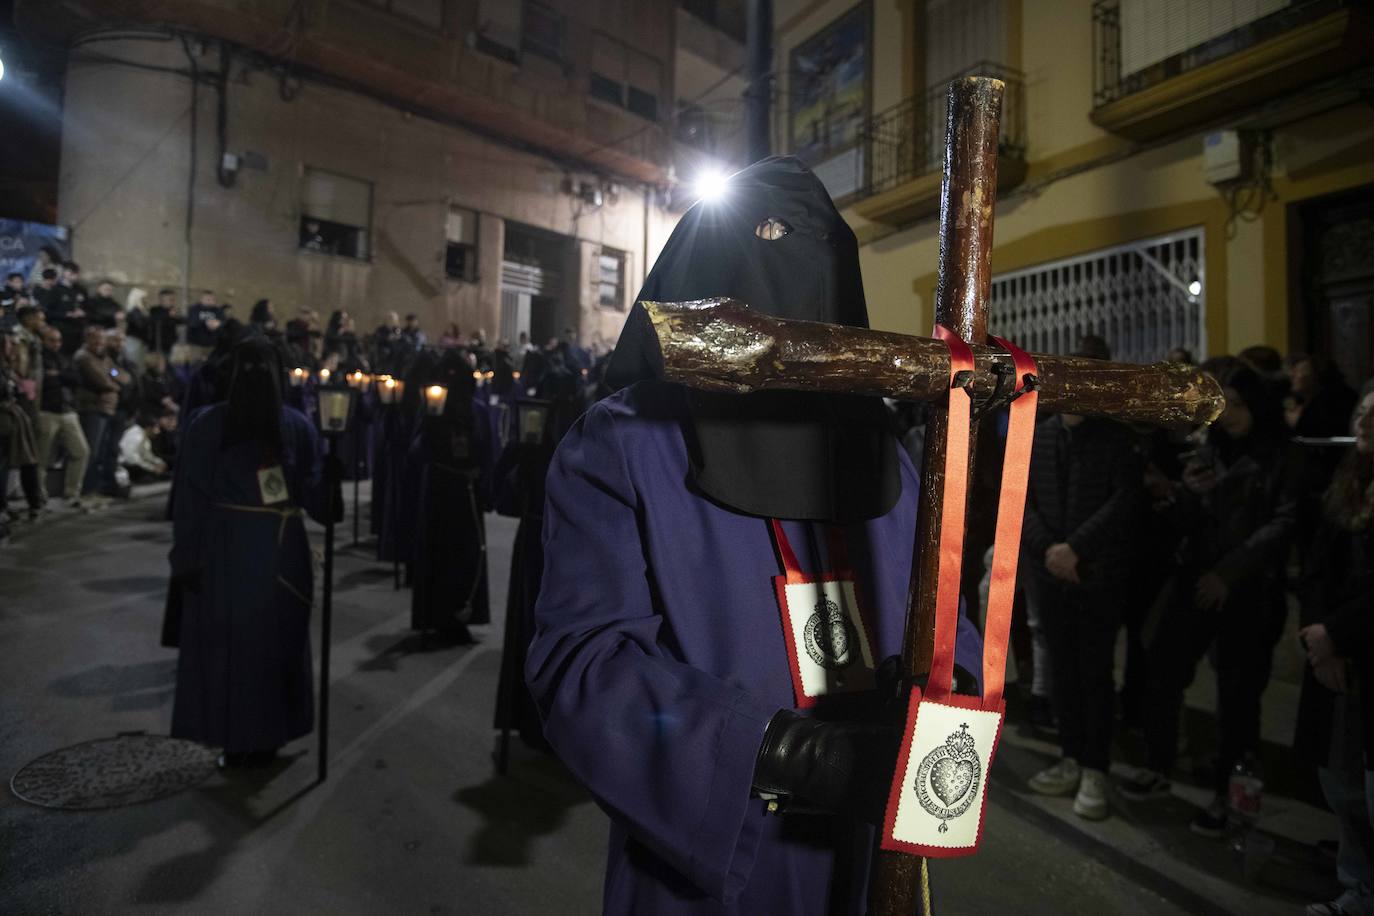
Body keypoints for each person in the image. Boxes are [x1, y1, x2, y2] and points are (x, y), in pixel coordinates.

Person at [525, 158, 983, 915]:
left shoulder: (883, 455)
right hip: (714, 855)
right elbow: (585, 665)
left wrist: (944, 700)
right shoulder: (626, 442)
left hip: (868, 857)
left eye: (819, 244)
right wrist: (791, 754)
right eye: (766, 234)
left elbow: (948, 623)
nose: (792, 260)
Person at [1118, 363, 1296, 836]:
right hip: (1196, 579)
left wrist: (1228, 573)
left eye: (1237, 405)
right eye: (1222, 405)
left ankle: (1230, 795)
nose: (1229, 414)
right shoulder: (1209, 450)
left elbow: (1282, 524)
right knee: (1163, 669)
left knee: (1237, 697)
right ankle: (1160, 762)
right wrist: (1186, 496)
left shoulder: (1279, 456)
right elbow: (1187, 521)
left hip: (1247, 590)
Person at [170, 337, 339, 767]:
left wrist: (186, 557)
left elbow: (189, 500)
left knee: (244, 646)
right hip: (265, 549)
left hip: (234, 548)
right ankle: (260, 735)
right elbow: (319, 502)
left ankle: (243, 738)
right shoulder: (286, 424)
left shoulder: (213, 424)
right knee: (262, 644)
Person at [1020, 336, 1145, 820]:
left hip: (1096, 574)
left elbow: (1124, 503)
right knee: (1062, 671)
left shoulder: (1117, 438)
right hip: (1049, 572)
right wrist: (1050, 551)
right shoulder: (1040, 433)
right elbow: (1021, 499)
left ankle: (1096, 767)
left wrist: (1076, 549)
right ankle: (1071, 756)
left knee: (1094, 672)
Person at [1299, 380, 1374, 916]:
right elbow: (1318, 568)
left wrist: (1337, 634)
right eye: (1362, 412)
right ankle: (1359, 883)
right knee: (1342, 777)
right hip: (1334, 653)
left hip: (1358, 647)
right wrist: (1319, 637)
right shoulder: (1346, 482)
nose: (1363, 422)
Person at [408, 349, 489, 641]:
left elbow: (486, 448)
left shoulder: (477, 410)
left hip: (465, 492)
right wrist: (432, 425)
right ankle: (434, 615)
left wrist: (482, 479)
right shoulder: (432, 407)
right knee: (438, 554)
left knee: (465, 556)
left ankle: (460, 616)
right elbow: (416, 450)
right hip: (439, 489)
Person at [37, 325, 92, 510]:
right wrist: (62, 377)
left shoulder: (63, 358)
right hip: (47, 411)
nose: (56, 344)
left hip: (67, 410)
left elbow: (77, 379)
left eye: (58, 340)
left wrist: (58, 375)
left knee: (81, 451)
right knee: (42, 457)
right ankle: (39, 496)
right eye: (51, 340)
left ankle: (72, 493)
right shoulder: (40, 359)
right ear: (43, 341)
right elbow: (45, 380)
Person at [73, 324, 129, 499]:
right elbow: (101, 380)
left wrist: (112, 376)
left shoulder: (104, 358)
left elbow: (122, 376)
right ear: (87, 339)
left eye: (102, 339)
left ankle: (94, 488)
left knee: (101, 451)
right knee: (91, 451)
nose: (99, 342)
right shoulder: (84, 357)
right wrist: (113, 383)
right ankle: (86, 490)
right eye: (95, 338)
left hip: (105, 409)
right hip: (92, 408)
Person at [119, 411, 170, 482]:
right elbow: (131, 460)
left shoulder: (144, 437)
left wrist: (159, 462)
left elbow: (147, 455)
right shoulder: (136, 436)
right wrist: (152, 468)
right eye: (156, 427)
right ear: (148, 428)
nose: (158, 431)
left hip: (136, 464)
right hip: (127, 465)